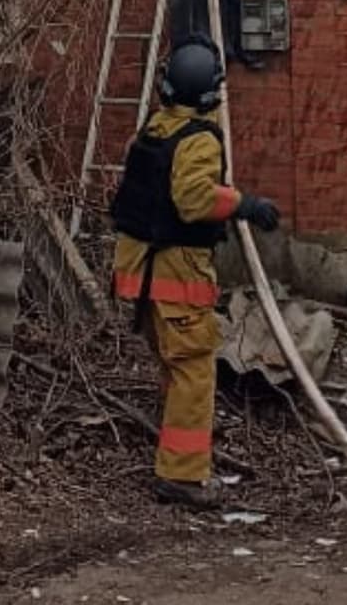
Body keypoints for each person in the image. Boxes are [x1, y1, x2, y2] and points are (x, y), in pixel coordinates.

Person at [110, 35, 280, 508]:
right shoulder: (199, 139)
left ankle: (178, 456)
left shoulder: (153, 129)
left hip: (140, 271)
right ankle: (181, 474)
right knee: (193, 372)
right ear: (210, 93)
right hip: (175, 275)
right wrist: (246, 205)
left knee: (173, 365)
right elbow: (193, 199)